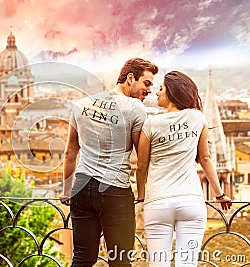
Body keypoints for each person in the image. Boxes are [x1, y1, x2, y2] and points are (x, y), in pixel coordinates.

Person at [60, 57, 159, 266]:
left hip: (81, 187)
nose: (149, 90)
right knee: (120, 261)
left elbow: (70, 153)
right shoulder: (134, 108)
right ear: (130, 78)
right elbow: (142, 158)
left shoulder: (81, 105)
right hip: (114, 191)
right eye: (147, 83)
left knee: (82, 258)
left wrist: (66, 191)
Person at [135, 71, 232, 266]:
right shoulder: (197, 117)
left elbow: (142, 166)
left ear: (171, 93)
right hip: (191, 201)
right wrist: (220, 194)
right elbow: (205, 159)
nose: (157, 93)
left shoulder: (151, 123)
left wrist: (142, 196)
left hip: (158, 203)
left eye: (161, 89)